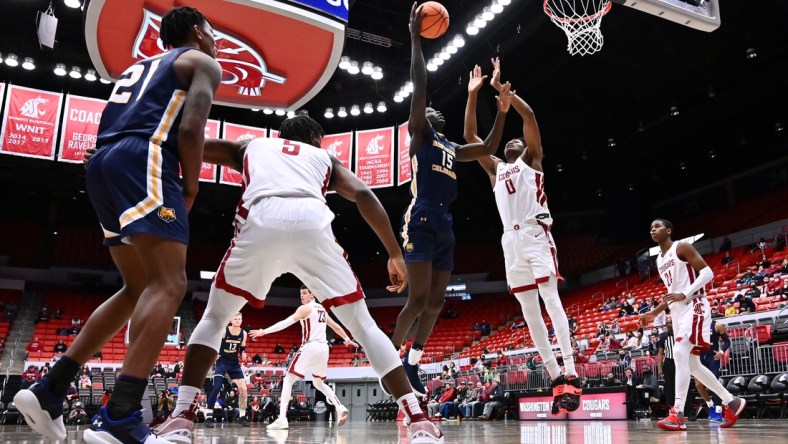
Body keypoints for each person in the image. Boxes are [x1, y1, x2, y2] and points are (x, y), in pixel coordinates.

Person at [151, 114, 443, 443]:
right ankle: (419, 419)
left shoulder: (253, 145)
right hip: (311, 223)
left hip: (262, 218)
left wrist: (134, 153)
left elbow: (189, 144)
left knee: (217, 316)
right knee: (364, 326)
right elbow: (364, 195)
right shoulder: (322, 157)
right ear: (315, 138)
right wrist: (393, 252)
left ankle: (181, 417)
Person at [14, 7, 221, 444]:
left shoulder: (141, 67)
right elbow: (191, 130)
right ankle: (121, 417)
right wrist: (191, 186)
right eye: (213, 32)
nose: (216, 40)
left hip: (103, 162)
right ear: (199, 32)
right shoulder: (202, 62)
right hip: (144, 158)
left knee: (136, 286)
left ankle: (50, 389)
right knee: (170, 283)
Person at [389, 3, 513, 398]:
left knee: (438, 301)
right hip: (422, 213)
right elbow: (421, 86)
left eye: (432, 110)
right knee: (418, 297)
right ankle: (389, 359)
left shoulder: (451, 147)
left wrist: (502, 110)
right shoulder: (421, 135)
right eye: (425, 110)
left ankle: (413, 362)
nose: (430, 108)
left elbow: (489, 146)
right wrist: (414, 37)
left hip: (445, 220)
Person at [464, 57, 580, 415]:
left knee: (551, 301)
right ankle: (554, 376)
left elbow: (528, 119)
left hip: (534, 234)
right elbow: (470, 139)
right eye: (508, 141)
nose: (513, 140)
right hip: (510, 242)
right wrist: (473, 95)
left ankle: (573, 373)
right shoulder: (495, 168)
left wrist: (504, 93)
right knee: (530, 313)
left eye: (517, 140)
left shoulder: (532, 161)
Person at [640, 219, 745, 431]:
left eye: (657, 226)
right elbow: (672, 293)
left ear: (668, 230)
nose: (653, 230)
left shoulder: (682, 247)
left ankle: (677, 412)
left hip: (694, 304)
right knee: (694, 365)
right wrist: (655, 312)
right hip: (677, 310)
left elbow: (707, 273)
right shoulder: (660, 260)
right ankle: (732, 401)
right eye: (651, 227)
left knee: (679, 351)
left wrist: (685, 294)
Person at [250, 285, 356, 429]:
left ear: (312, 294)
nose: (302, 296)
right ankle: (339, 406)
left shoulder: (305, 308)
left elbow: (286, 322)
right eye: (300, 293)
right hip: (324, 348)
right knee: (318, 383)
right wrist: (346, 339)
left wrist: (264, 331)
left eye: (305, 293)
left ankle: (282, 419)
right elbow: (335, 326)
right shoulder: (322, 309)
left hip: (310, 346)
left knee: (288, 379)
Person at [202, 313, 249, 428]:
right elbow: (214, 342)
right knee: (217, 387)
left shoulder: (243, 333)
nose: (238, 321)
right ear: (230, 320)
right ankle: (208, 416)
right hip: (222, 362)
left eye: (240, 319)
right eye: (236, 319)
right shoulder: (224, 331)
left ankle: (242, 416)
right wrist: (215, 354)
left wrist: (243, 353)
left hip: (234, 364)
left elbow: (242, 348)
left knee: (243, 388)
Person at [694, 320, 730, 422]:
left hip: (712, 357)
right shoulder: (696, 325)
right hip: (699, 357)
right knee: (698, 385)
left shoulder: (717, 325)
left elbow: (727, 341)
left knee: (713, 383)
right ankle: (711, 406)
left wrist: (721, 351)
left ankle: (718, 409)